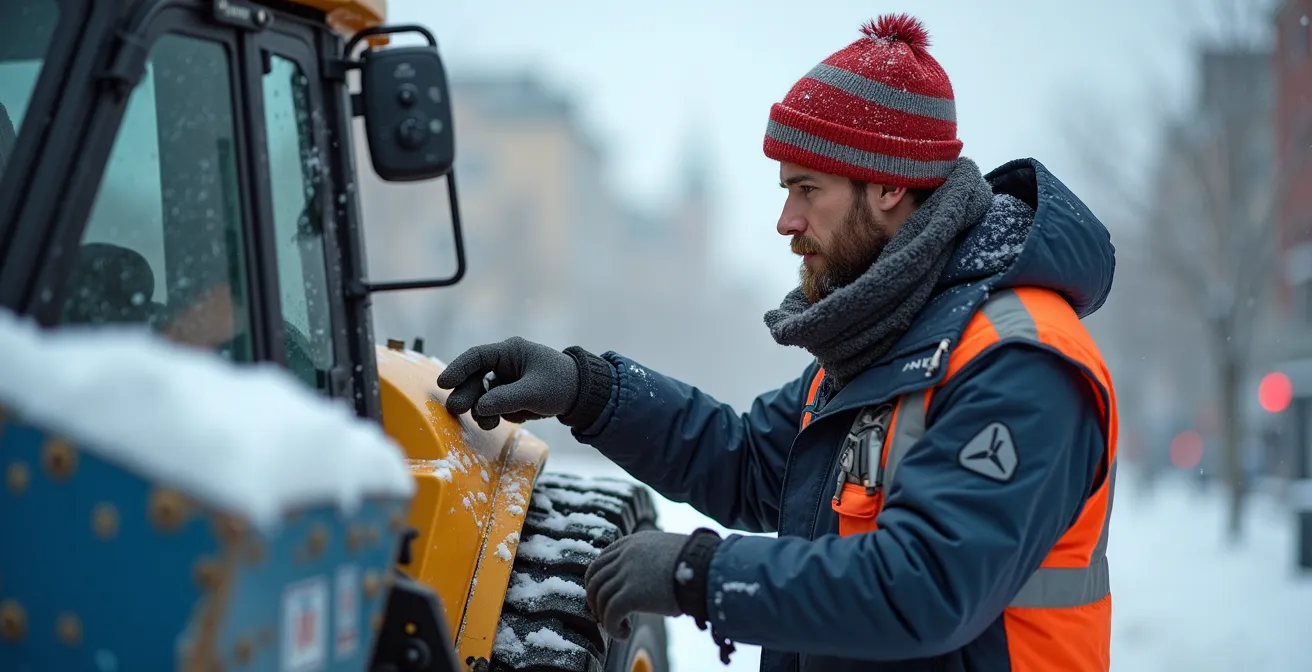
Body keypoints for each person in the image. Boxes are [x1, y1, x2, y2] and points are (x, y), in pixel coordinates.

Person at [437, 13, 1118, 672]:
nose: (785, 221)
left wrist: (701, 573)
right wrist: (589, 389)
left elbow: (927, 584)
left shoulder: (1017, 362)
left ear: (887, 184)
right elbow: (749, 462)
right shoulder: (889, 340)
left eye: (806, 189)